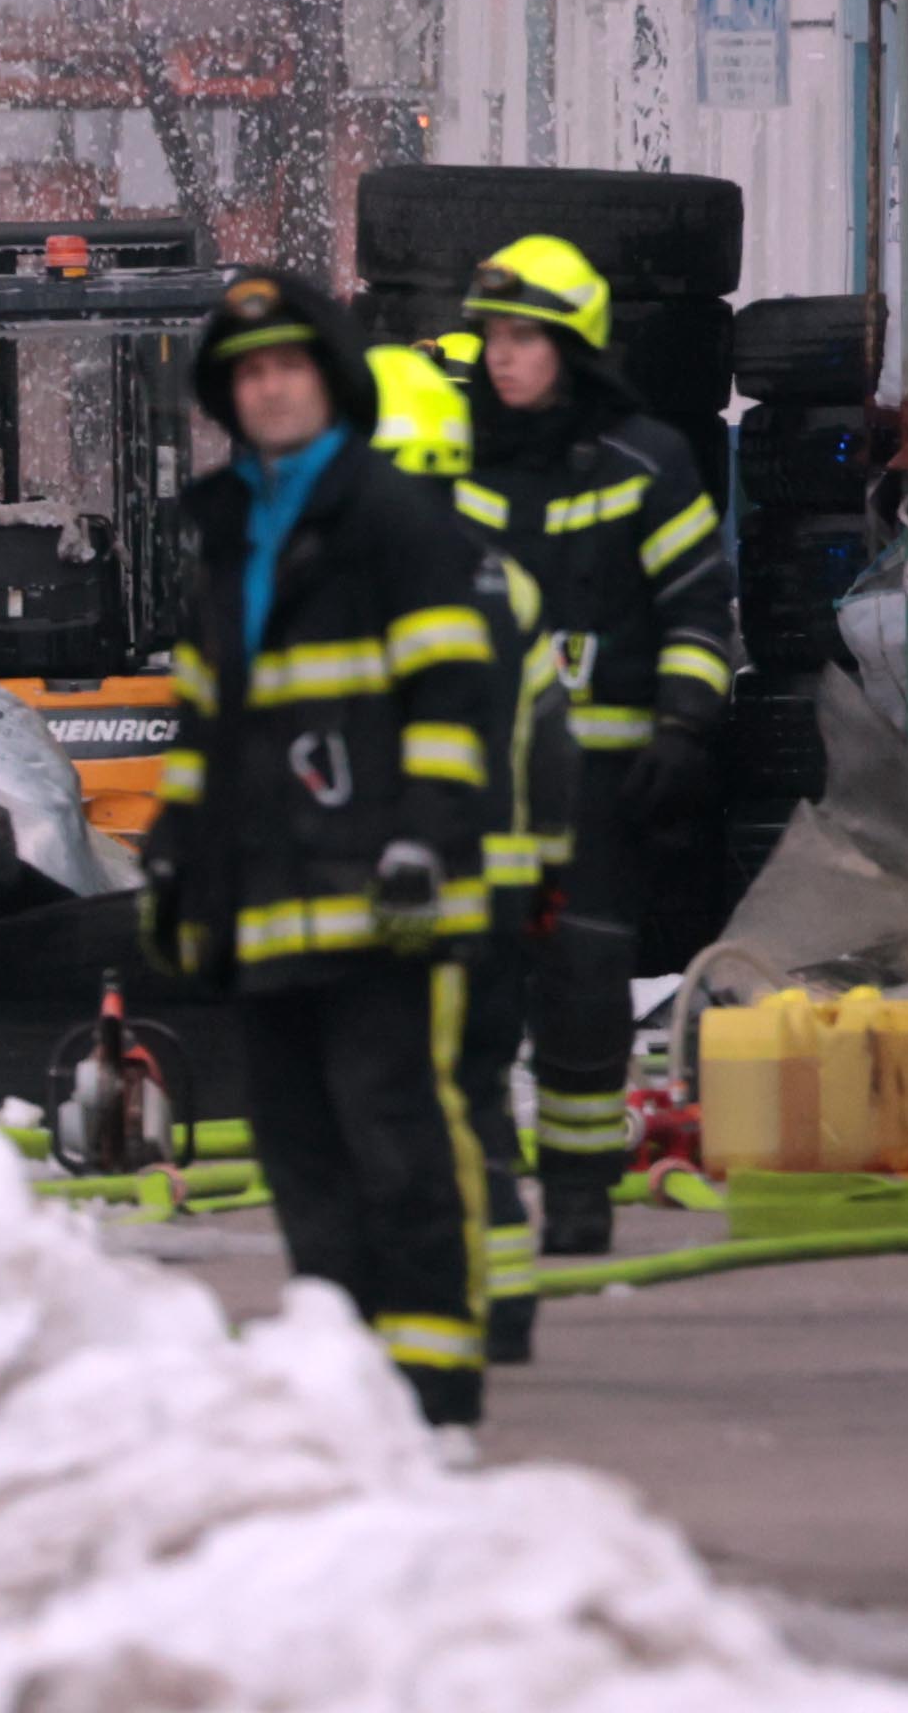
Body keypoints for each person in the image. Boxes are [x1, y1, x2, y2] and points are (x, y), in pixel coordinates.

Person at [145, 268, 498, 1428]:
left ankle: (435, 1390)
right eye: (250, 373)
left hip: (379, 902)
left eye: (289, 366)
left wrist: (428, 846)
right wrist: (172, 856)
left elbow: (455, 703)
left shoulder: (395, 518)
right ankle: (342, 1374)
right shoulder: (224, 537)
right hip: (261, 906)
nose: (271, 389)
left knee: (395, 1140)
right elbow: (206, 727)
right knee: (298, 1154)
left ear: (330, 380)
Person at [443, 236, 730, 1264]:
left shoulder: (649, 462)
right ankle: (482, 1197)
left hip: (599, 795)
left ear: (573, 345)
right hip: (474, 793)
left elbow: (700, 612)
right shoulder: (452, 461)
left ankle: (577, 1197)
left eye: (524, 337)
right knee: (469, 1000)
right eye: (492, 338)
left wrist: (685, 728)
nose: (503, 358)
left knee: (584, 995)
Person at [365, 343, 566, 1363]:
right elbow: (552, 748)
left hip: (407, 903)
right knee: (478, 1098)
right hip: (502, 897)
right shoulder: (513, 590)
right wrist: (547, 873)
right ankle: (508, 1298)